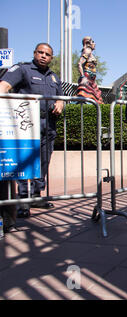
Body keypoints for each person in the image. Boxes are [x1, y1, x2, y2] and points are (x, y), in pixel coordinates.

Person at [0, 43, 64, 218]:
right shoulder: (22, 69)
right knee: (25, 163)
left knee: (43, 163)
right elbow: (3, 86)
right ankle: (23, 200)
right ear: (34, 53)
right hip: (26, 127)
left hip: (48, 126)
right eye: (40, 52)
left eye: (47, 54)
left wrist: (60, 103)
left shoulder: (54, 77)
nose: (43, 56)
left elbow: (60, 97)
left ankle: (36, 196)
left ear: (51, 58)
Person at [76, 36, 103, 104]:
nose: (95, 43)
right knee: (86, 96)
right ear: (88, 42)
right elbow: (80, 64)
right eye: (93, 42)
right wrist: (83, 77)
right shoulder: (87, 50)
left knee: (96, 98)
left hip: (92, 80)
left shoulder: (91, 53)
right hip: (87, 78)